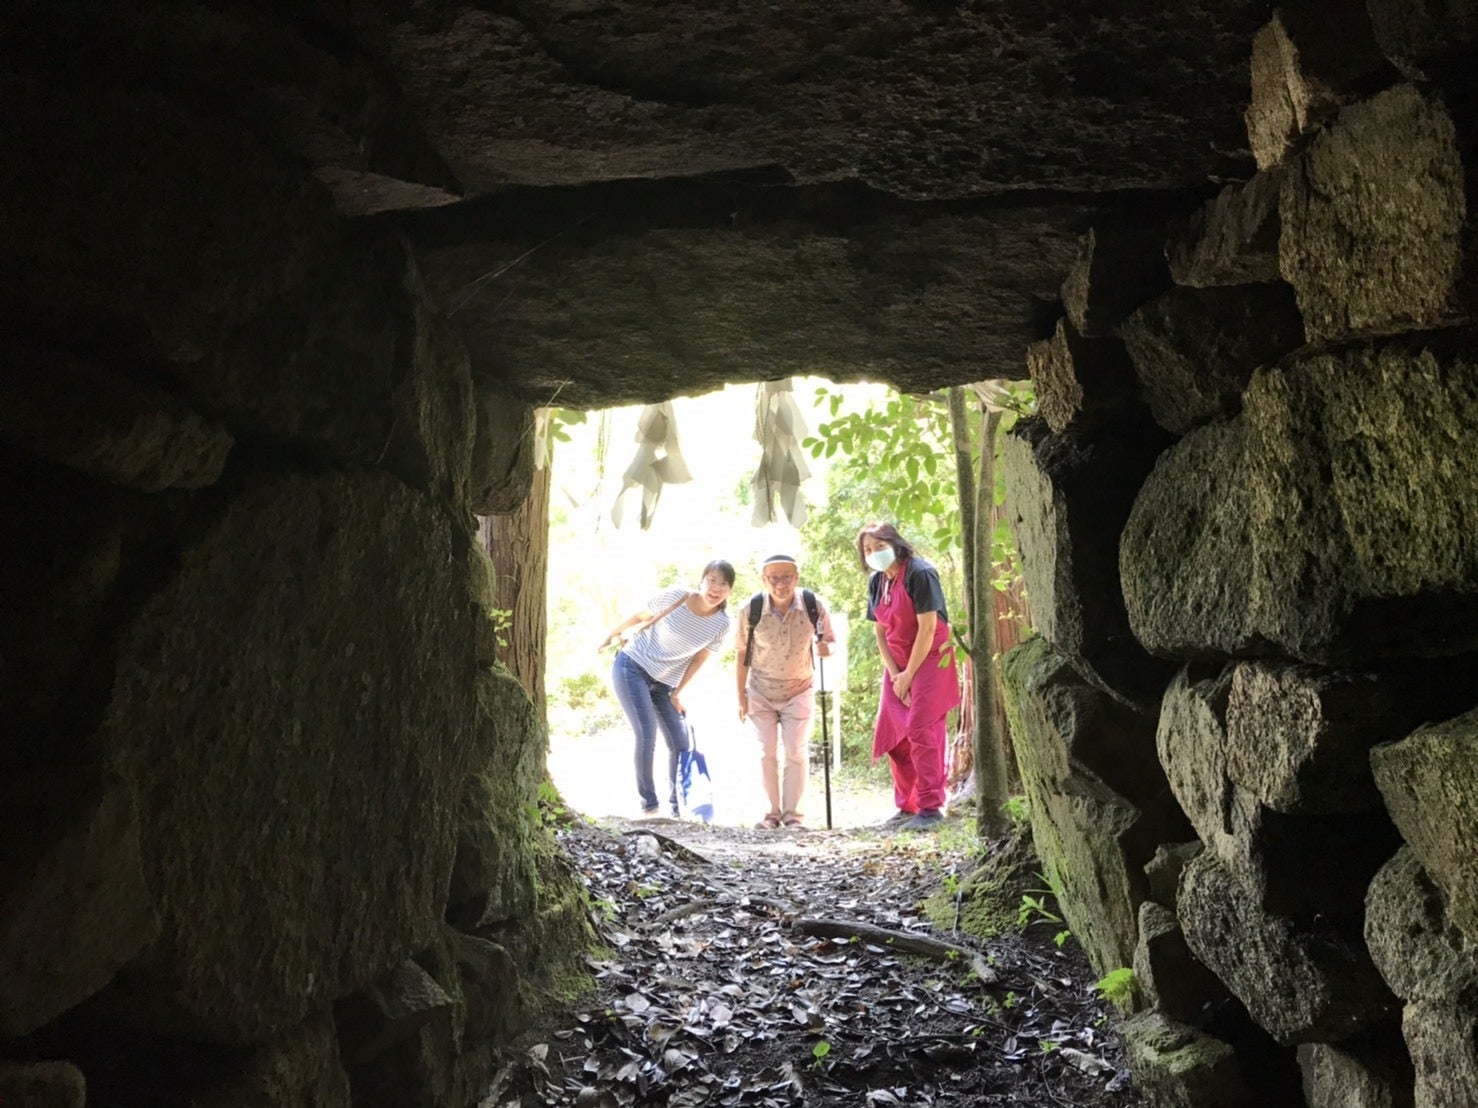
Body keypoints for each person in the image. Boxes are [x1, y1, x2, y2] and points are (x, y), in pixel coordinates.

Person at [600, 560, 735, 817]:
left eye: (724, 584)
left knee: (680, 742)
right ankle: (650, 806)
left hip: (664, 685)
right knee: (646, 734)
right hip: (633, 666)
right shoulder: (677, 596)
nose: (716, 588)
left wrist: (677, 693)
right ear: (702, 581)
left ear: (730, 591)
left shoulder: (722, 623)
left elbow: (699, 660)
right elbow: (641, 616)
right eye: (712, 580)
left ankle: (677, 809)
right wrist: (612, 634)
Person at [858, 523, 960, 830]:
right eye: (868, 549)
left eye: (879, 547)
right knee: (896, 735)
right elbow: (880, 632)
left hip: (930, 657)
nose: (874, 553)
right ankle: (907, 805)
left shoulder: (920, 573)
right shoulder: (877, 581)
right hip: (897, 662)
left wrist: (909, 675)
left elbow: (928, 629)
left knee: (922, 729)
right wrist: (895, 675)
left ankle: (931, 807)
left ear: (895, 544)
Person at [734, 554, 837, 830]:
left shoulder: (813, 605)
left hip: (799, 690)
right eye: (774, 578)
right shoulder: (751, 610)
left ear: (797, 577)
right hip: (760, 691)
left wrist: (827, 648)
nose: (781, 584)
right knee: (766, 752)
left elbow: (830, 641)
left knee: (795, 751)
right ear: (764, 580)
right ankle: (770, 814)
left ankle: (794, 816)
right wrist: (741, 696)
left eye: (787, 577)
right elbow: (742, 654)